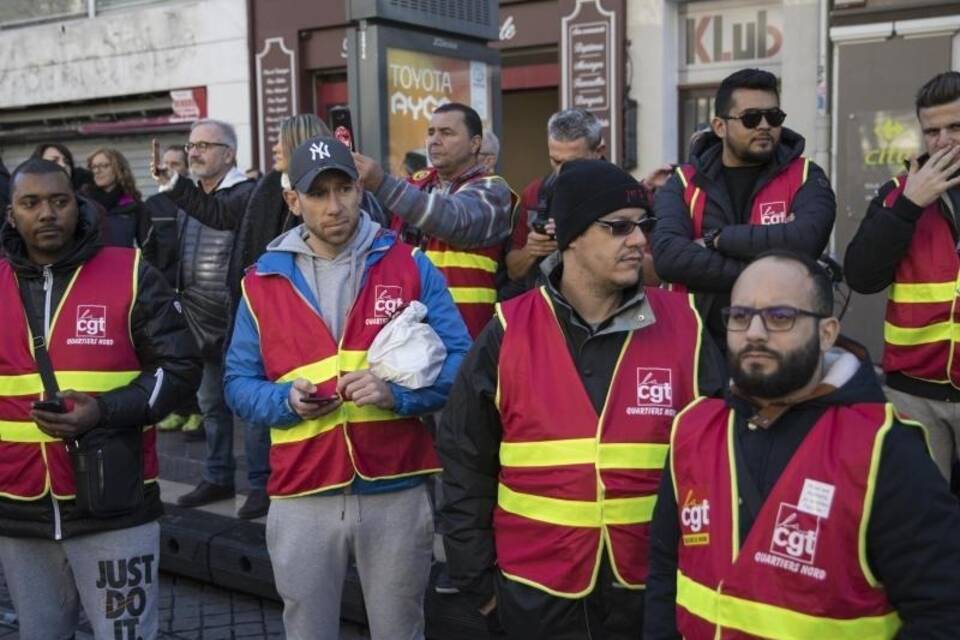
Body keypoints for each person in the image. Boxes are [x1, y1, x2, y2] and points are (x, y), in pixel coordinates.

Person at [438, 159, 725, 639]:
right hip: (533, 590)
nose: (639, 240)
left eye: (643, 227)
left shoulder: (688, 325)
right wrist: (479, 584)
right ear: (570, 236)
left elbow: (720, 464)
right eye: (618, 228)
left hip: (653, 592)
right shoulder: (507, 330)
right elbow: (464, 458)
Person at [224, 136, 471, 639]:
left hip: (396, 487)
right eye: (319, 194)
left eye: (344, 189)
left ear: (360, 189)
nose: (335, 206)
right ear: (293, 202)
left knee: (400, 629)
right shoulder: (260, 282)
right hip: (302, 490)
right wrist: (284, 401)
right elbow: (237, 384)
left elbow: (462, 364)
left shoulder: (412, 265)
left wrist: (397, 395)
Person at [644, 250, 960, 639]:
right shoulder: (693, 429)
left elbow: (942, 610)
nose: (755, 333)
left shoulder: (883, 447)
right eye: (741, 316)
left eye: (780, 317)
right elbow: (663, 571)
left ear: (827, 333)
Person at [0, 158, 201, 639]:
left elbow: (179, 368)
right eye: (31, 203)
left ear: (78, 204)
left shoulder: (130, 271)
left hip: (114, 503)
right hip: (19, 508)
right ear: (12, 215)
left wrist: (104, 412)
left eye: (59, 200)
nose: (47, 213)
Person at [651, 68, 835, 345]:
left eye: (774, 117)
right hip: (696, 344)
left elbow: (805, 241)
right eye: (751, 118)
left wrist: (717, 240)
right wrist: (771, 269)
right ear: (719, 127)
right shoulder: (683, 182)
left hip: (778, 346)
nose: (764, 125)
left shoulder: (807, 175)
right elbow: (669, 257)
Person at [845, 71, 960, 483]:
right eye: (932, 131)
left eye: (955, 127)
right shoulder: (899, 192)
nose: (943, 140)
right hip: (914, 390)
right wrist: (909, 205)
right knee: (924, 523)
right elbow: (861, 275)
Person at [151, 119, 269, 519]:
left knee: (249, 411)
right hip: (198, 319)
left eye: (205, 145)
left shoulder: (247, 194)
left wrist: (176, 187)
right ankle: (217, 476)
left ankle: (261, 485)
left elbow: (220, 214)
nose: (194, 152)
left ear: (229, 153)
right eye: (191, 145)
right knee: (210, 406)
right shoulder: (191, 197)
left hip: (238, 318)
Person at [354, 102, 516, 338]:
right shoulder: (414, 186)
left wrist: (381, 183)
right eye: (431, 132)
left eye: (446, 133)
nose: (434, 140)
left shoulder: (492, 189)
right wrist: (349, 185)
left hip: (466, 333)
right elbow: (370, 224)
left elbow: (453, 220)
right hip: (409, 331)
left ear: (475, 144)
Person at [503, 108, 606, 298]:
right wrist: (532, 251)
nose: (563, 172)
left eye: (574, 163)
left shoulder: (626, 194)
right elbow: (513, 271)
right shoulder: (534, 194)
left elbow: (653, 272)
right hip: (547, 309)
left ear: (599, 152)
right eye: (556, 161)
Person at [83, 148, 153, 258]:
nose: (97, 171)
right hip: (89, 268)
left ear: (118, 169)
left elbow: (148, 247)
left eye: (104, 166)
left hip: (122, 267)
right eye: (94, 167)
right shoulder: (83, 204)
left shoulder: (134, 206)